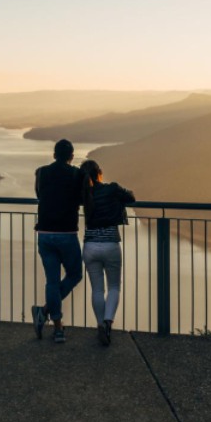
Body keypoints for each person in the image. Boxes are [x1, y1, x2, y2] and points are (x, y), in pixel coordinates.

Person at [31, 139, 83, 344]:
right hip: (67, 233)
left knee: (52, 281)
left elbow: (39, 195)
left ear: (54, 155)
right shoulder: (77, 174)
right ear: (71, 156)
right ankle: (45, 313)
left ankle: (55, 323)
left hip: (44, 233)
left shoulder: (41, 172)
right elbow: (81, 199)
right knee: (75, 274)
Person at [78, 158, 134, 347]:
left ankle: (100, 325)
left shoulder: (84, 194)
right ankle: (108, 323)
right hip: (110, 245)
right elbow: (131, 197)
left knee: (97, 290)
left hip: (90, 246)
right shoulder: (111, 189)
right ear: (99, 172)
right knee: (114, 287)